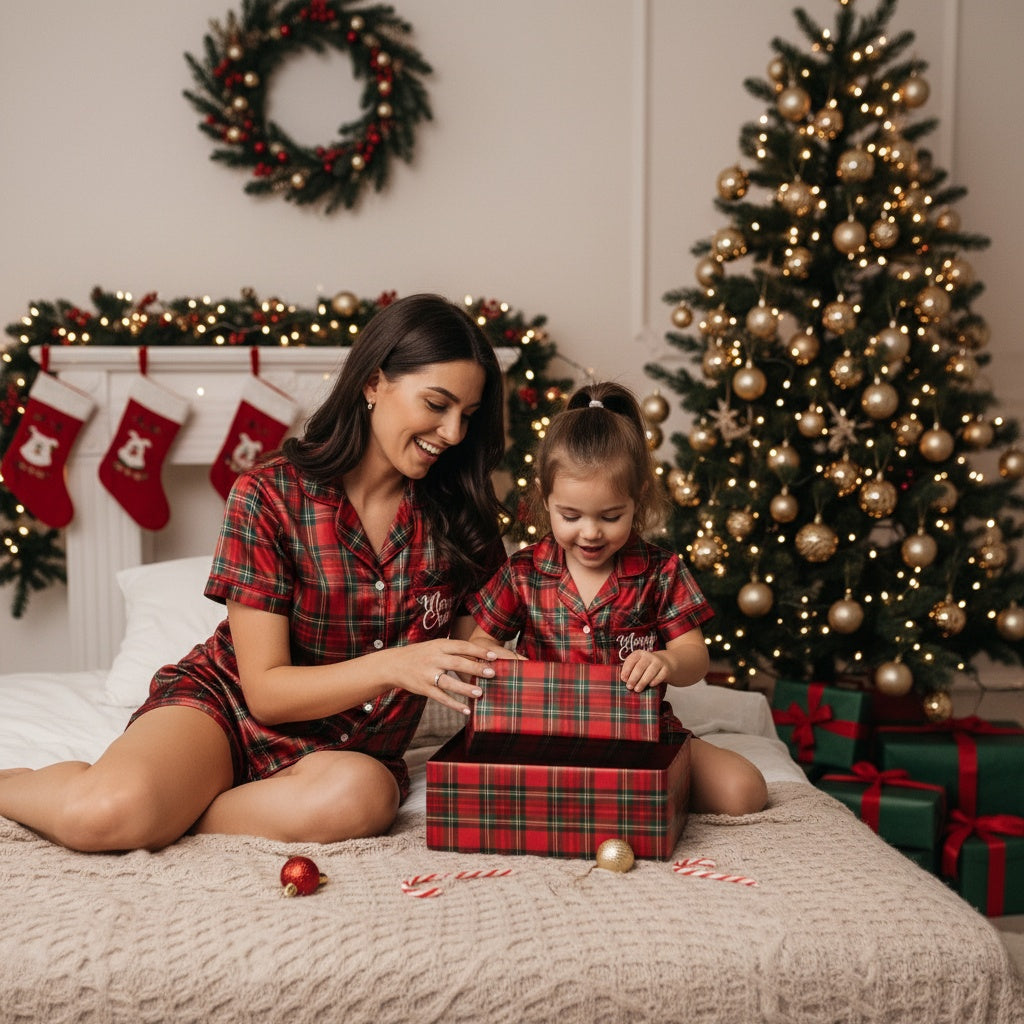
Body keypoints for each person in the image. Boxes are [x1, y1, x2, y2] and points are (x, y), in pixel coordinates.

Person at [0, 293, 516, 851]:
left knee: (362, 799)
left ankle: (178, 809)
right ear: (373, 383)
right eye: (437, 404)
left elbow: (474, 661)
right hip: (224, 712)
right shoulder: (270, 494)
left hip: (347, 757)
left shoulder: (463, 520)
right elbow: (265, 691)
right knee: (102, 816)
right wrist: (397, 665)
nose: (454, 432)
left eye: (468, 415)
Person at [466, 381, 768, 816]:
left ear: (639, 495)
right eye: (570, 516)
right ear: (544, 494)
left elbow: (695, 657)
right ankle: (593, 796)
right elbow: (478, 644)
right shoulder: (523, 571)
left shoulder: (661, 571)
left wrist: (666, 661)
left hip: (638, 731)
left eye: (611, 517)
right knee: (489, 790)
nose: (590, 533)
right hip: (544, 733)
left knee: (745, 791)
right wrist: (495, 659)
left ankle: (620, 790)